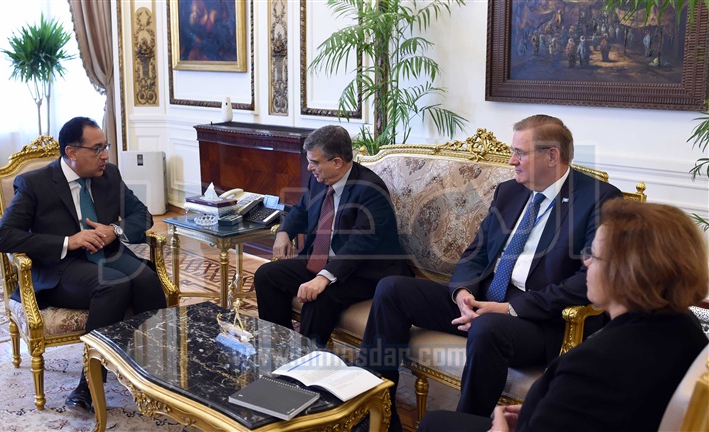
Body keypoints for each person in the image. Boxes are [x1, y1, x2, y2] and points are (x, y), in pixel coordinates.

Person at [356, 114, 623, 430]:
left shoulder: (599, 199)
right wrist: (463, 293)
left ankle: (465, 425)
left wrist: (509, 309)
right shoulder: (509, 192)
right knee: (392, 289)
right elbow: (477, 252)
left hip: (539, 319)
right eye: (513, 151)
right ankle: (377, 415)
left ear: (552, 155)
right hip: (484, 299)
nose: (511, 161)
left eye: (520, 153)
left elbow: (587, 279)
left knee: (488, 328)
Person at [418, 200, 708, 431]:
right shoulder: (688, 328)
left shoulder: (593, 363)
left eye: (593, 255)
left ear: (625, 273)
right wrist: (545, 409)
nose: (586, 263)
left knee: (435, 423)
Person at [0, 117, 168, 415]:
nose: (105, 155)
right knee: (113, 286)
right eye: (97, 149)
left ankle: (150, 372)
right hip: (60, 268)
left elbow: (142, 215)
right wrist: (68, 241)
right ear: (72, 152)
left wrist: (115, 230)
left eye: (105, 147)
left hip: (108, 255)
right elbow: (4, 236)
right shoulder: (35, 184)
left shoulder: (109, 175)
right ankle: (89, 383)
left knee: (148, 280)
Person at [254, 125, 411, 346]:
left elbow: (361, 244)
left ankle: (304, 359)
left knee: (320, 298)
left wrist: (323, 278)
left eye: (315, 162)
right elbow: (301, 209)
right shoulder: (319, 180)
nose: (309, 167)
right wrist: (284, 232)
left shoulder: (370, 190)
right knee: (267, 275)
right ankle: (279, 348)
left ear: (337, 162)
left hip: (365, 271)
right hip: (324, 260)